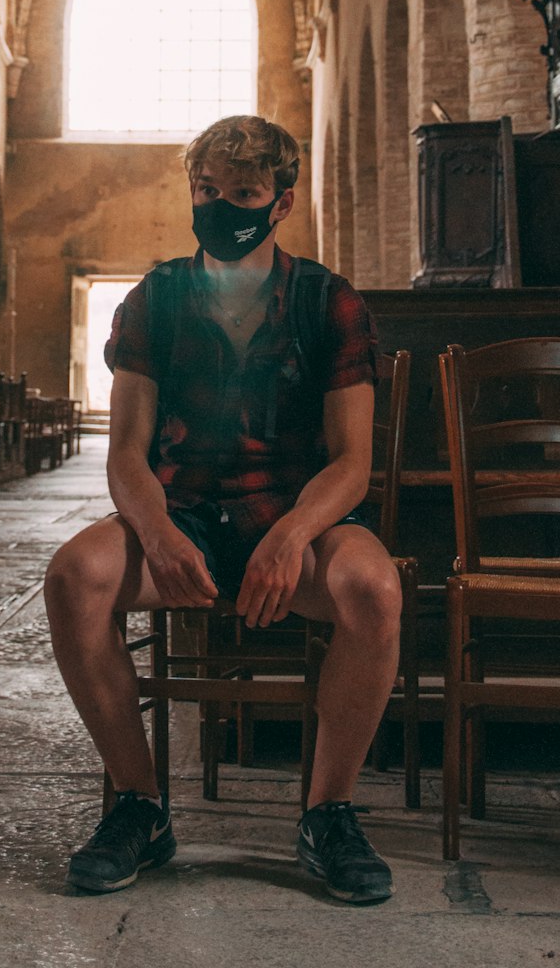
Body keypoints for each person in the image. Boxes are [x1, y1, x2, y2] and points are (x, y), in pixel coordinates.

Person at [43, 115, 401, 902]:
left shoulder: (326, 301)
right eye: (207, 190)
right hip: (186, 516)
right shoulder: (156, 300)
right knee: (75, 576)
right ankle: (139, 805)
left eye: (242, 193)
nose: (220, 206)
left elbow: (351, 461)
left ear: (281, 203)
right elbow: (127, 452)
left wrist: (293, 535)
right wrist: (158, 532)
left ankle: (328, 814)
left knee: (373, 589)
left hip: (293, 513)